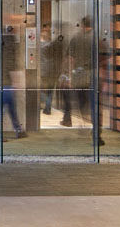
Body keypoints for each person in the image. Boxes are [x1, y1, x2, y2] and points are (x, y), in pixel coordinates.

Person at [60, 14, 103, 145]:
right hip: (93, 75)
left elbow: (70, 59)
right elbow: (101, 59)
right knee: (94, 105)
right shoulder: (97, 38)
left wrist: (69, 76)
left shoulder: (75, 38)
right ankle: (96, 132)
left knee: (81, 103)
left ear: (82, 25)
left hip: (79, 76)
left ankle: (83, 122)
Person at [0, 25, 26, 140]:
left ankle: (18, 129)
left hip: (1, 82)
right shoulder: (8, 50)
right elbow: (10, 66)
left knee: (11, 107)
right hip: (6, 83)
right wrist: (16, 81)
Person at [39, 21, 64, 115]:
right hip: (52, 69)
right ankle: (47, 107)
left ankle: (46, 105)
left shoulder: (40, 45)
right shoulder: (51, 44)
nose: (46, 31)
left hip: (43, 70)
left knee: (40, 89)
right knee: (49, 89)